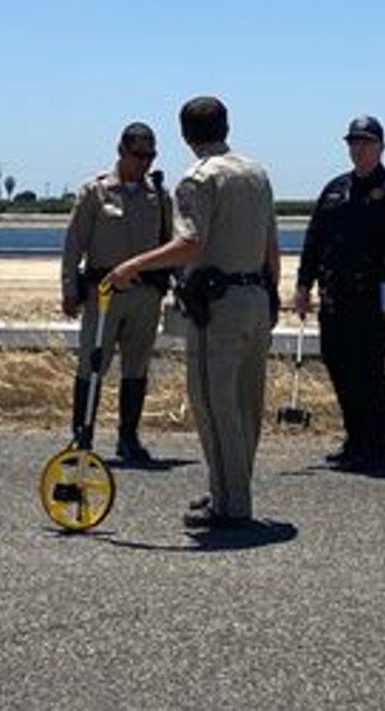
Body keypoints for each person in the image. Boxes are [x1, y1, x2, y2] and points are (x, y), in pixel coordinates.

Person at [109, 96, 280, 529]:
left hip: (218, 305)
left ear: (185, 135)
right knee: (246, 404)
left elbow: (192, 244)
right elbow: (270, 246)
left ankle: (231, 504)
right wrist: (272, 295)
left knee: (213, 404)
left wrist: (134, 264)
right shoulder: (255, 173)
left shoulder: (198, 179)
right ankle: (231, 491)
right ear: (226, 125)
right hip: (257, 298)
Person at [294, 115, 385, 474]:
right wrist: (303, 285)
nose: (358, 149)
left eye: (366, 142)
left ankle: (376, 448)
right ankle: (353, 442)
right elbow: (314, 240)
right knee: (339, 368)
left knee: (369, 373)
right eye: (353, 142)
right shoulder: (335, 190)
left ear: (381, 146)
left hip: (372, 299)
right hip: (334, 297)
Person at [61, 122, 171, 464]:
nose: (145, 162)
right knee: (92, 365)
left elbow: (170, 243)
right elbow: (73, 244)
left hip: (146, 294)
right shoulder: (96, 192)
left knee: (136, 366)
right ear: (121, 151)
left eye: (151, 155)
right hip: (103, 294)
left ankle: (128, 438)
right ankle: (82, 436)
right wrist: (68, 288)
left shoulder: (160, 196)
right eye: (139, 154)